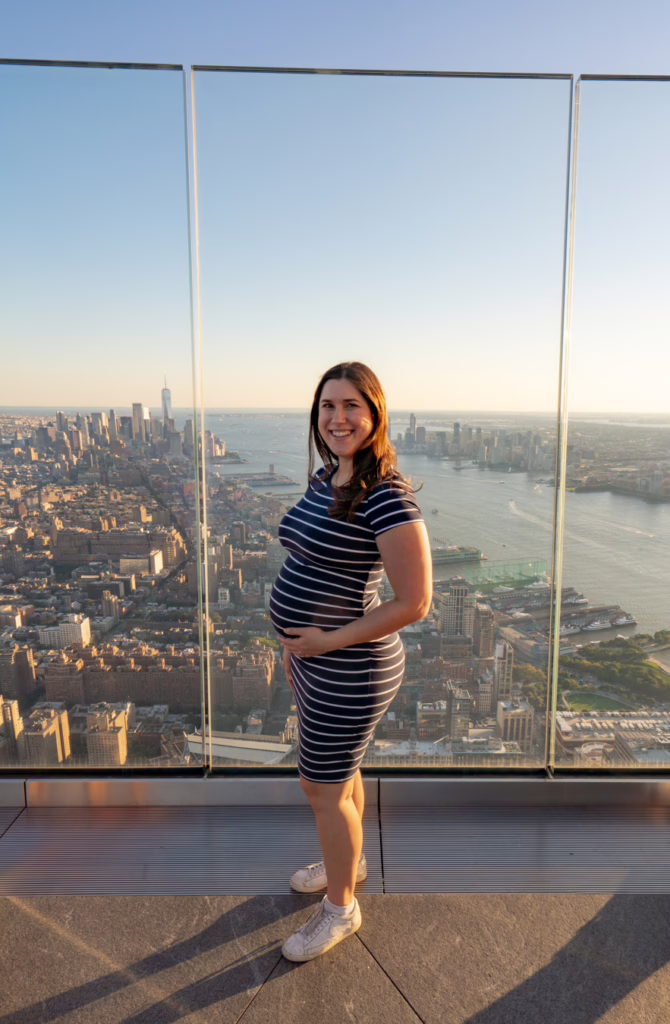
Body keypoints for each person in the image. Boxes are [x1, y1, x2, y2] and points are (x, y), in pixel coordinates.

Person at [269, 361, 432, 961]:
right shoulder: (327, 477)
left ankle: (341, 910)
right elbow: (315, 568)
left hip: (352, 667)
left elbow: (415, 602)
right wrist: (299, 652)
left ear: (375, 415)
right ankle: (352, 862)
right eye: (328, 406)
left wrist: (322, 644)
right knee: (343, 778)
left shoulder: (386, 496)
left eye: (351, 406)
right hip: (317, 661)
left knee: (321, 787)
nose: (338, 418)